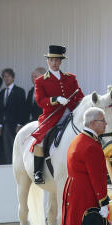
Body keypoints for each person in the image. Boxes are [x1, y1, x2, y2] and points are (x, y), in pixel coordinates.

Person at [61, 107, 110, 225]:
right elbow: (97, 177)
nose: (105, 124)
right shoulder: (91, 146)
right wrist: (103, 202)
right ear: (92, 123)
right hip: (87, 195)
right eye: (102, 121)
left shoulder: (78, 140)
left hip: (74, 192)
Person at [30, 45, 84, 184]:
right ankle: (38, 172)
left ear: (61, 62)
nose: (55, 63)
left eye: (57, 60)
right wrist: (55, 100)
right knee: (40, 141)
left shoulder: (70, 78)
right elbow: (40, 101)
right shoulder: (40, 80)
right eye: (52, 60)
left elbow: (79, 96)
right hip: (52, 116)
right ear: (48, 61)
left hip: (71, 113)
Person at [0, 68, 27, 164]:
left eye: (8, 76)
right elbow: (1, 111)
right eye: (4, 76)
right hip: (5, 125)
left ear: (13, 77)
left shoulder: (19, 91)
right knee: (6, 148)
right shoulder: (1, 92)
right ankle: (7, 166)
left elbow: (22, 109)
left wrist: (20, 124)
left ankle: (17, 167)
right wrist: (0, 125)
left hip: (15, 125)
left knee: (16, 148)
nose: (6, 78)